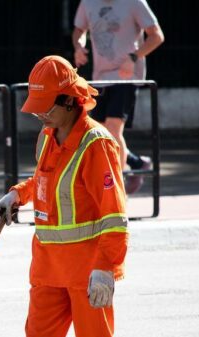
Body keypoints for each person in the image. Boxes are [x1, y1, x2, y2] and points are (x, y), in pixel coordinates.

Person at [0, 55, 128, 337]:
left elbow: (114, 213)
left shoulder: (97, 144)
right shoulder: (49, 136)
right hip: (48, 270)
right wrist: (17, 194)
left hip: (87, 275)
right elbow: (45, 179)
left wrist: (106, 268)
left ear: (70, 101)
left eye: (46, 107)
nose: (39, 116)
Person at [72, 0, 164, 194]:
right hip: (101, 78)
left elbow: (156, 36)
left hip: (126, 77)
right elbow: (79, 31)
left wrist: (134, 57)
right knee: (99, 133)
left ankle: (115, 189)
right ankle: (136, 162)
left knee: (113, 129)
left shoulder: (135, 3)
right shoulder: (88, 3)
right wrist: (79, 47)